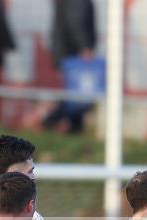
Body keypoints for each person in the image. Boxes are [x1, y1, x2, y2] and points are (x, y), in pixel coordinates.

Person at [41, 0, 97, 133]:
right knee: (75, 95)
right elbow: (75, 22)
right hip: (72, 56)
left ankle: (69, 126)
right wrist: (84, 47)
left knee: (72, 94)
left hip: (66, 53)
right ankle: (51, 121)